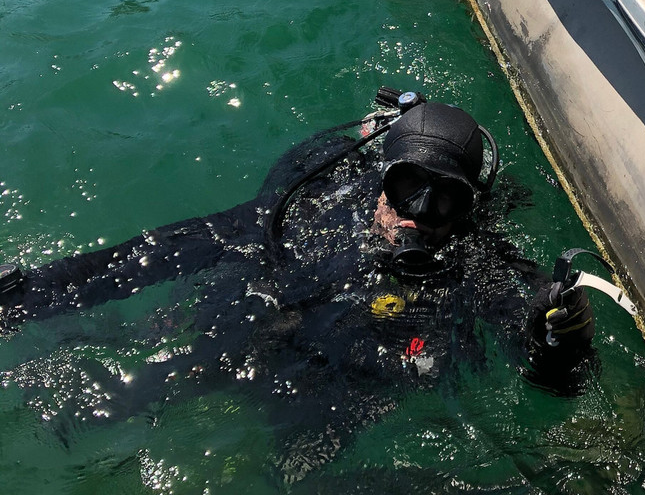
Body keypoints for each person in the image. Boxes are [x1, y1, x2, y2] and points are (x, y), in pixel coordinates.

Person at [0, 89, 600, 482]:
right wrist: (30, 293)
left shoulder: (480, 262)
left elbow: (551, 378)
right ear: (380, 178)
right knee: (125, 396)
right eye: (406, 188)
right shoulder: (316, 201)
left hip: (353, 381)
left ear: (467, 210)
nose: (418, 214)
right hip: (255, 323)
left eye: (444, 199)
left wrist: (563, 346)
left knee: (299, 468)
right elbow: (169, 251)